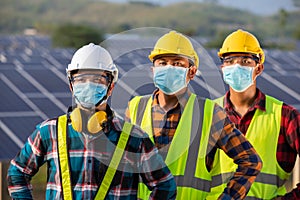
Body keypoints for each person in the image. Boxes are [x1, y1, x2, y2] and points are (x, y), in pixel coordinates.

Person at [7, 43, 176, 200]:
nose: (88, 85)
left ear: (111, 86)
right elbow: (17, 173)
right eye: (81, 79)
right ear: (71, 85)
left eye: (97, 80)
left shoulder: (134, 138)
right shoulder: (49, 132)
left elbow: (165, 186)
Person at [125, 30, 262, 199]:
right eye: (162, 62)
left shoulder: (209, 113)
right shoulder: (135, 108)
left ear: (191, 72)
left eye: (177, 64)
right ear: (153, 70)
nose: (168, 68)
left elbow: (250, 161)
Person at [210, 29, 300, 199]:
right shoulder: (207, 113)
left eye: (245, 61)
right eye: (230, 60)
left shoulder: (285, 116)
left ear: (258, 68)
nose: (236, 66)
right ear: (222, 68)